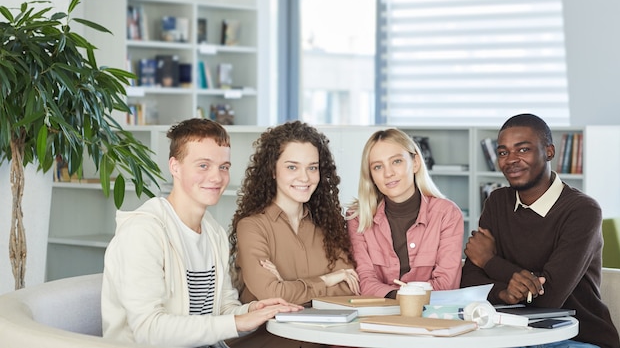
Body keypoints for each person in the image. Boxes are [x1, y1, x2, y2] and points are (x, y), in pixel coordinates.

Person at [101, 118, 301, 348]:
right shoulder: (143, 233)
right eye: (203, 165)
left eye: (223, 167)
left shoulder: (213, 231)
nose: (217, 177)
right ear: (175, 167)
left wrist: (252, 310)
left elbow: (224, 309)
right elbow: (149, 331)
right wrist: (237, 322)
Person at [461, 113, 620, 348]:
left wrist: (489, 261)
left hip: (576, 338)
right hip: (508, 334)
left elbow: (550, 298)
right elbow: (470, 281)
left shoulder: (582, 210)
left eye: (523, 149)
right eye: (503, 152)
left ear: (549, 152)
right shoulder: (497, 202)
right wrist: (505, 293)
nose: (511, 159)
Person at [227, 120, 359, 348]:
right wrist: (326, 280)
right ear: (273, 171)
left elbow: (349, 288)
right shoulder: (252, 227)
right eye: (292, 167)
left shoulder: (330, 225)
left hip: (323, 337)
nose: (305, 178)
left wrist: (289, 288)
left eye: (312, 167)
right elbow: (272, 293)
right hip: (268, 340)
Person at [346, 128, 465, 298]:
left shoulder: (447, 214)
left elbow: (446, 284)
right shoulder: (358, 217)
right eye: (378, 167)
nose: (388, 173)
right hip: (378, 314)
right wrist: (403, 296)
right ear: (371, 176)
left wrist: (399, 296)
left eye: (396, 161)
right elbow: (364, 281)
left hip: (430, 314)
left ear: (415, 163)